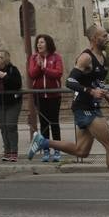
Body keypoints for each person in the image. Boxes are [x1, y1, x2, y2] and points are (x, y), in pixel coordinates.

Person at [28, 25, 109, 202]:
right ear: (94, 39)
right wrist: (91, 91)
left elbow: (97, 82)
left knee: (81, 151)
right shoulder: (86, 57)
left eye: (107, 35)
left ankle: (43, 141)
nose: (107, 38)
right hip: (84, 107)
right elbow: (70, 81)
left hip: (93, 106)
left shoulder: (104, 57)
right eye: (104, 35)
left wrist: (105, 93)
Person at [28, 34, 63, 163]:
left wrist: (45, 68)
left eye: (41, 42)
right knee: (43, 124)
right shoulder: (33, 58)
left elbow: (58, 73)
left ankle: (57, 150)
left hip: (54, 95)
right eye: (38, 42)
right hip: (39, 96)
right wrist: (38, 66)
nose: (39, 45)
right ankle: (46, 150)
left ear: (48, 43)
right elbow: (32, 74)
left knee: (54, 122)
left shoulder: (56, 57)